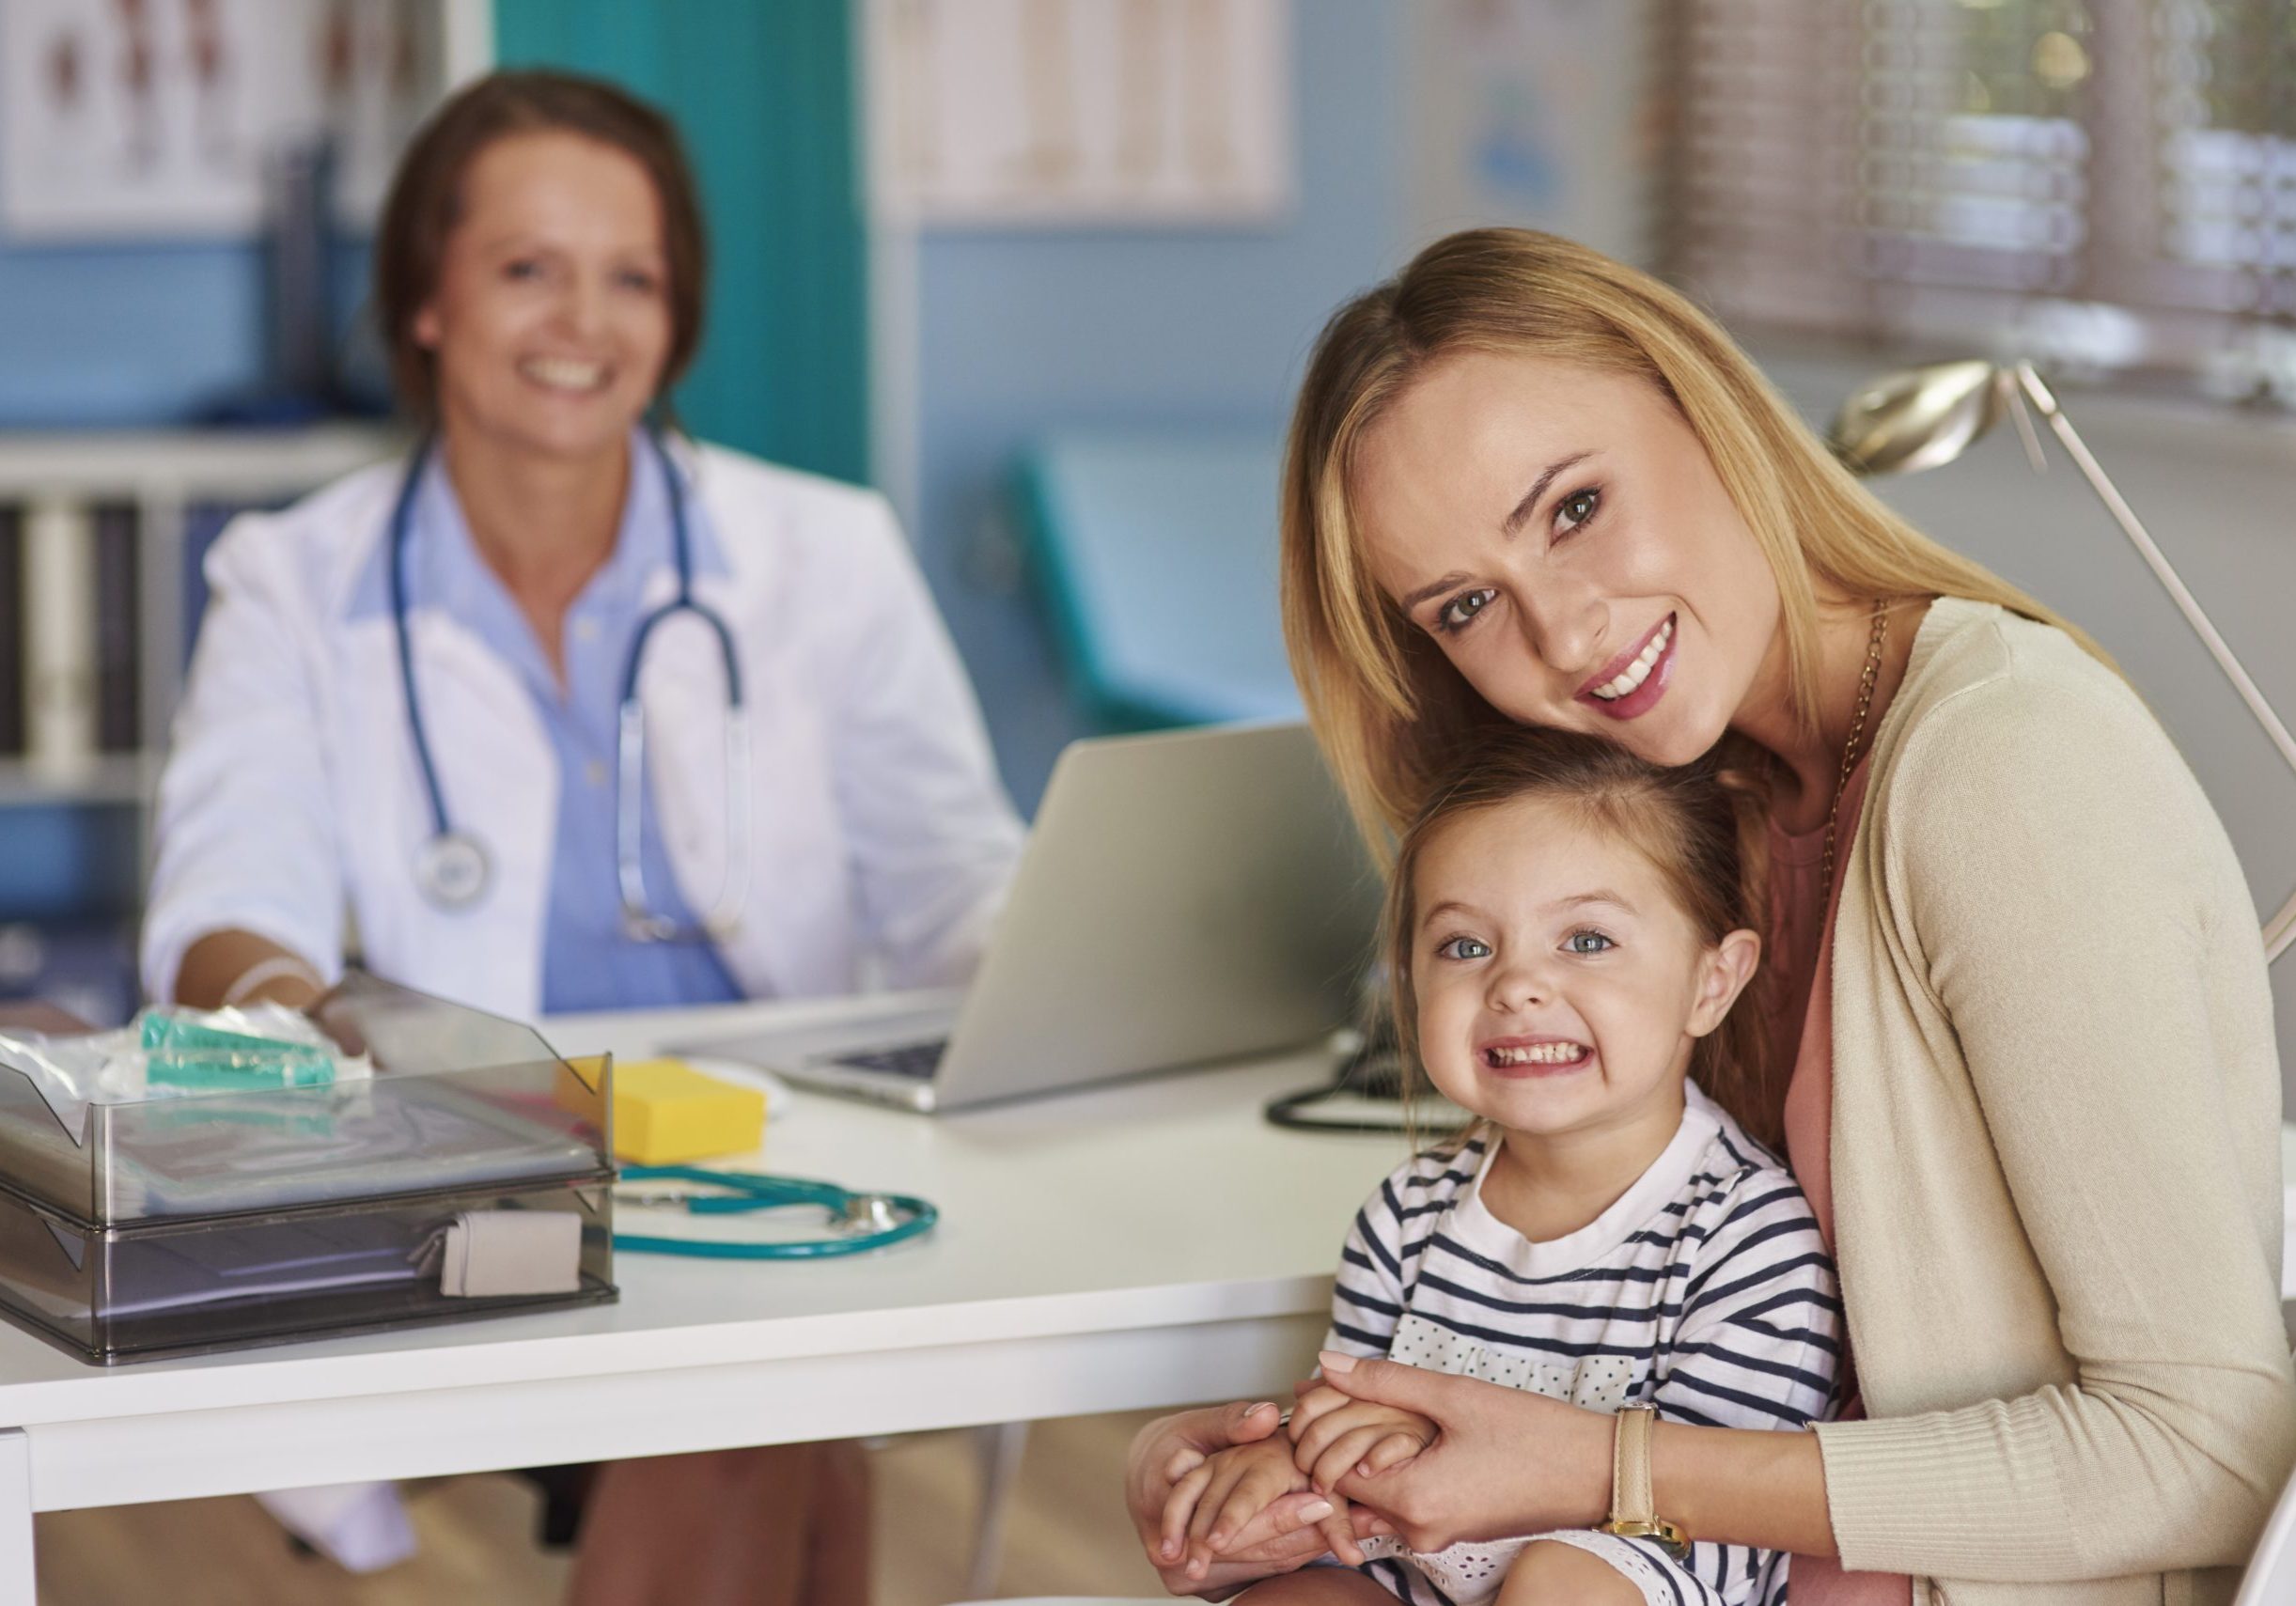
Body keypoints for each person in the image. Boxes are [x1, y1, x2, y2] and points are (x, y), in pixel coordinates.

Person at [1127, 227, 2296, 1605]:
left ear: (1706, 406)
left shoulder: (2005, 765)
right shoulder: (1683, 811)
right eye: (1463, 604)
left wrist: (1610, 1471)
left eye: (1570, 508)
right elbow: (1582, 1323)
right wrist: (1255, 1459)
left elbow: (2210, 1449)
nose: (1561, 637)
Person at [142, 71, 1023, 1606]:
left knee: (745, 1390)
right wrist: (327, 1034)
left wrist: (1041, 984)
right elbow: (228, 901)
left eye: (634, 277)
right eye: (527, 267)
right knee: (756, 1406)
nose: (585, 321)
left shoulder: (819, 553)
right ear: (425, 295)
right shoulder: (295, 581)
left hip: (773, 1143)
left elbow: (959, 881)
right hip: (467, 1156)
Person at [1160, 730, 1838, 1606]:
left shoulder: (1747, 1238)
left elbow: (1719, 1520)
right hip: (1415, 1569)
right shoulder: (1403, 1217)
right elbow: (1344, 1456)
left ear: (1712, 981)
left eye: (1586, 939)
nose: (1516, 984)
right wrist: (1289, 1466)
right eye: (1465, 947)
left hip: (1638, 1575)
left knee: (1561, 1584)